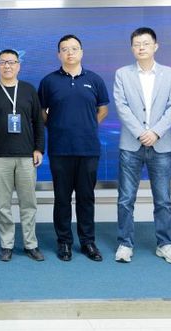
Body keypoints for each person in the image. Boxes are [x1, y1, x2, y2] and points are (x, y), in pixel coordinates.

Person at [113, 27, 171, 265]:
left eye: (145, 43)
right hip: (131, 144)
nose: (141, 47)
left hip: (161, 144)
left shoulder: (170, 74)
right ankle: (125, 243)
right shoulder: (122, 74)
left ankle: (165, 244)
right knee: (125, 198)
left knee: (163, 199)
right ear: (132, 48)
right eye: (136, 44)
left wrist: (155, 132)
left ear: (156, 46)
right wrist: (141, 133)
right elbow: (121, 106)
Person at [38, 34, 109, 262]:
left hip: (88, 149)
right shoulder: (49, 81)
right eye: (65, 49)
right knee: (62, 198)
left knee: (86, 197)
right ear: (59, 54)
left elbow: (103, 109)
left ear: (82, 52)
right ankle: (64, 242)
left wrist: (88, 126)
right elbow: (41, 112)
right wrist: (56, 125)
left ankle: (88, 242)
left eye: (74, 48)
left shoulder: (95, 80)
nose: (70, 53)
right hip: (60, 149)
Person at [0, 49, 45, 262]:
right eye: (3, 62)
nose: (7, 66)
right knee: (3, 204)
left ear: (18, 66)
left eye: (12, 62)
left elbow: (38, 122)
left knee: (28, 203)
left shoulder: (28, 89)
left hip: (26, 155)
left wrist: (39, 148)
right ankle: (6, 245)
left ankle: (30, 244)